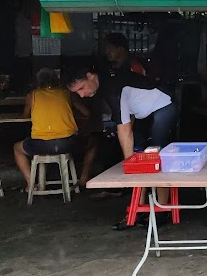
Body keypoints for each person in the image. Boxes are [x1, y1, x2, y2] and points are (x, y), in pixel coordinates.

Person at [67, 65, 178, 230]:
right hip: (143, 114)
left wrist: (129, 165)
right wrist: (132, 160)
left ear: (91, 76)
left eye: (82, 88)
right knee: (139, 156)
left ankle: (161, 209)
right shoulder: (103, 84)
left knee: (157, 158)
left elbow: (124, 129)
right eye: (77, 93)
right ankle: (138, 210)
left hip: (163, 106)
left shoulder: (112, 87)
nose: (82, 95)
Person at [13, 68, 88, 190]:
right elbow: (86, 113)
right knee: (94, 142)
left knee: (17, 148)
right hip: (68, 143)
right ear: (57, 80)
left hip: (40, 144)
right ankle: (84, 178)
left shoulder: (32, 95)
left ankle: (31, 185)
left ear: (38, 82)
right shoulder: (67, 93)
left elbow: (25, 116)